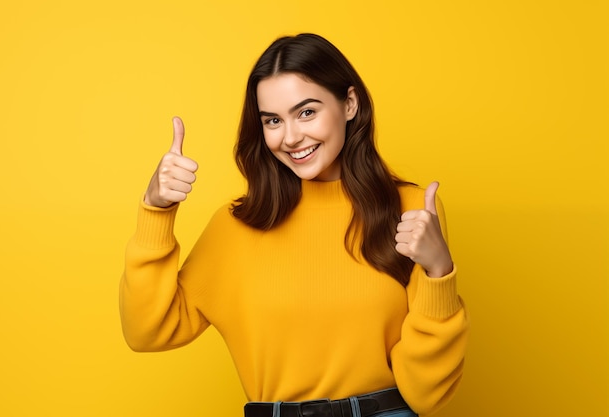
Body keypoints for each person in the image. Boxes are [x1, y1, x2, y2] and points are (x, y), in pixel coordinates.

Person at [120, 33, 469, 417]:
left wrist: (439, 272)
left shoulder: (411, 210)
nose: (290, 137)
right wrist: (156, 210)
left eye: (306, 112)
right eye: (273, 120)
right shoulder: (237, 225)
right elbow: (146, 332)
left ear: (349, 103)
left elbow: (426, 395)